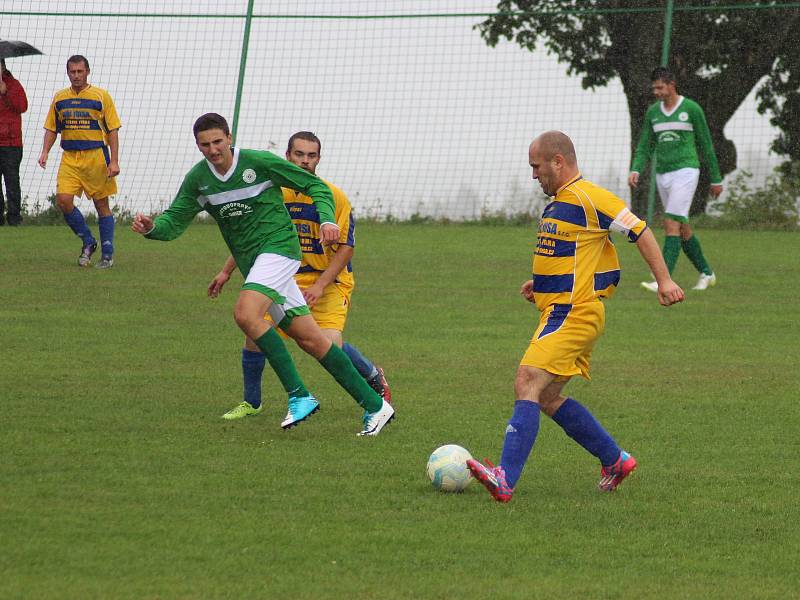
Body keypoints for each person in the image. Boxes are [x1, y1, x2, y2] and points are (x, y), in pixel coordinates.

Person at [132, 113, 394, 436]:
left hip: (280, 249)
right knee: (311, 339)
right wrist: (152, 228)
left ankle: (299, 395)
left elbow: (314, 185)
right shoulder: (199, 180)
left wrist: (326, 219)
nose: (213, 149)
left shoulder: (258, 162)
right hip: (256, 262)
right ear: (198, 145)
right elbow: (174, 219)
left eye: (218, 141)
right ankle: (375, 406)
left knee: (245, 313)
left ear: (229, 137)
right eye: (205, 144)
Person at [467, 131, 684, 503]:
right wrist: (542, 283)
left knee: (527, 381)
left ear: (558, 161)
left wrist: (664, 280)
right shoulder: (559, 203)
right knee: (548, 396)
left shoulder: (589, 197)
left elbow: (640, 230)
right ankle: (615, 460)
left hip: (574, 313)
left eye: (537, 166)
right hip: (560, 309)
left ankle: (505, 478)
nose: (534, 174)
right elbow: (576, 254)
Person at [208, 131, 392, 421]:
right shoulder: (273, 194)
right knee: (253, 333)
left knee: (329, 343)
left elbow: (346, 248)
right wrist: (226, 271)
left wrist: (320, 285)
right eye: (299, 155)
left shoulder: (333, 196)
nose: (305, 161)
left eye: (311, 156)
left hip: (329, 281)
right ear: (287, 156)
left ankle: (371, 375)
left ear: (319, 158)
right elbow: (255, 239)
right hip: (285, 277)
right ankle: (251, 403)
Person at [629, 66, 722, 292]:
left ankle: (663, 279)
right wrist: (636, 169)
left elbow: (706, 145)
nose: (657, 92)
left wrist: (716, 178)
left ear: (672, 85)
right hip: (663, 173)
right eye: (654, 89)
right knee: (682, 228)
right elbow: (645, 146)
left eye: (660, 87)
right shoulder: (653, 112)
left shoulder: (691, 109)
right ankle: (707, 273)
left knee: (670, 222)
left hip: (687, 170)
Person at [38, 55, 121, 268]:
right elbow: (51, 128)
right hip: (70, 158)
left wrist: (114, 161)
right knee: (64, 201)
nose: (76, 75)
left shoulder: (101, 96)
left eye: (80, 71)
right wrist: (45, 151)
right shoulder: (59, 98)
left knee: (101, 204)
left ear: (87, 72)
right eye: (72, 72)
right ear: (68, 73)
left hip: (96, 157)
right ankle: (88, 241)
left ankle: (108, 253)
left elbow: (113, 130)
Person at [0, 58, 28, 226]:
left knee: (12, 182)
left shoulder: (14, 85)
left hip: (11, 144)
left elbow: (22, 106)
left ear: (3, 66)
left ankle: (14, 218)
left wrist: (5, 93)